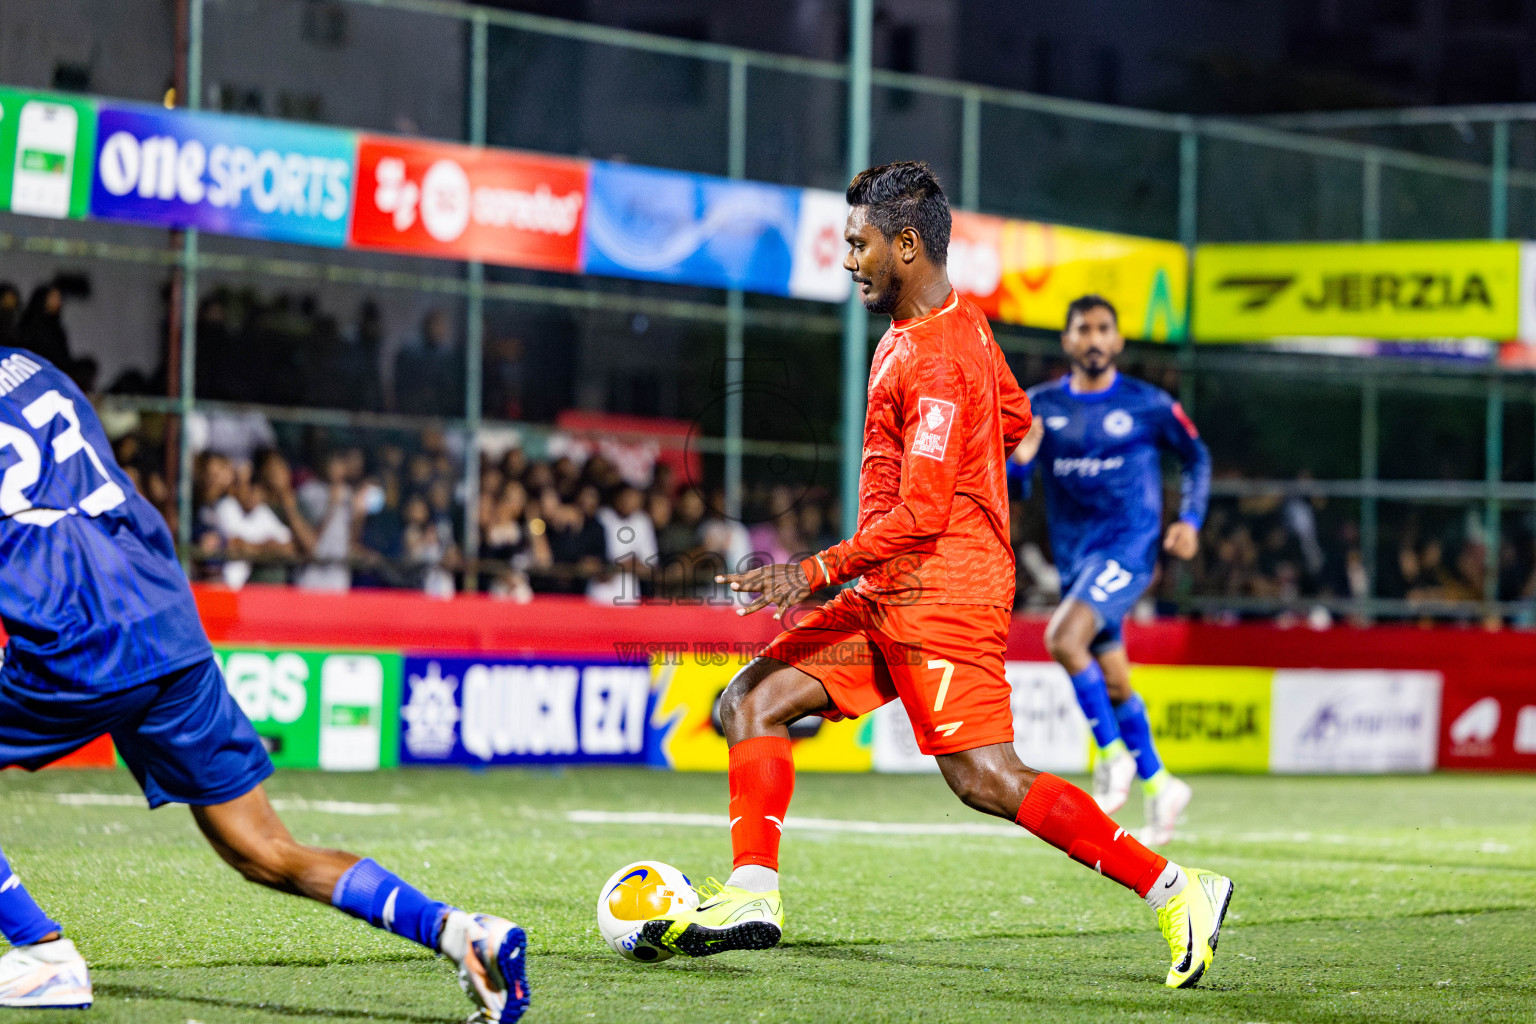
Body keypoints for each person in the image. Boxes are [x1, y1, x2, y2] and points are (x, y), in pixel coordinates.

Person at [641, 163, 1233, 989]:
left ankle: (1177, 887)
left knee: (985, 778)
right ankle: (752, 895)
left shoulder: (939, 359)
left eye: (859, 244)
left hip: (941, 593)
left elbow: (919, 515)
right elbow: (1019, 416)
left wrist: (809, 571)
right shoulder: (953, 327)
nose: (849, 260)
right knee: (751, 701)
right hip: (894, 586)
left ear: (906, 245)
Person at [0, 346, 528, 1019]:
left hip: (75, 633)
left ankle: (41, 952)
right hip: (166, 619)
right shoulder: (32, 366)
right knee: (263, 849)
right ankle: (460, 933)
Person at [1010, 295, 1211, 846]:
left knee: (1062, 637)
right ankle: (1161, 782)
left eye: (1104, 328)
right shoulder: (1039, 407)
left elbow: (1197, 457)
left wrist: (1190, 519)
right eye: (1084, 329)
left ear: (1118, 340)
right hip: (1076, 560)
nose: (1094, 338)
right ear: (1068, 341)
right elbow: (1015, 490)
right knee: (1117, 682)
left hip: (1130, 550)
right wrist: (1020, 462)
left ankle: (1113, 757)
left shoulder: (1149, 405)